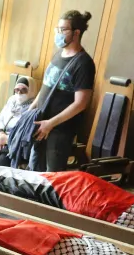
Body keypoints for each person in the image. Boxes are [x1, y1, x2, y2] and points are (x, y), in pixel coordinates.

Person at [22, 10, 96, 172]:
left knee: (52, 176)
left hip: (60, 131)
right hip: (41, 123)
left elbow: (80, 104)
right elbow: (46, 87)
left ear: (76, 33)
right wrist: (30, 110)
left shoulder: (84, 63)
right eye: (58, 29)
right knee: (34, 171)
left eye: (63, 30)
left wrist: (51, 123)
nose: (58, 33)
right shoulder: (58, 55)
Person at [0, 76, 37, 166]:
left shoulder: (34, 107)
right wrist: (0, 133)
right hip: (1, 137)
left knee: (2, 160)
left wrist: (7, 139)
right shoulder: (12, 100)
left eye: (24, 90)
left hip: (17, 144)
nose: (19, 93)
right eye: (17, 90)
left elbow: (27, 132)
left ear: (31, 90)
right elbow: (0, 118)